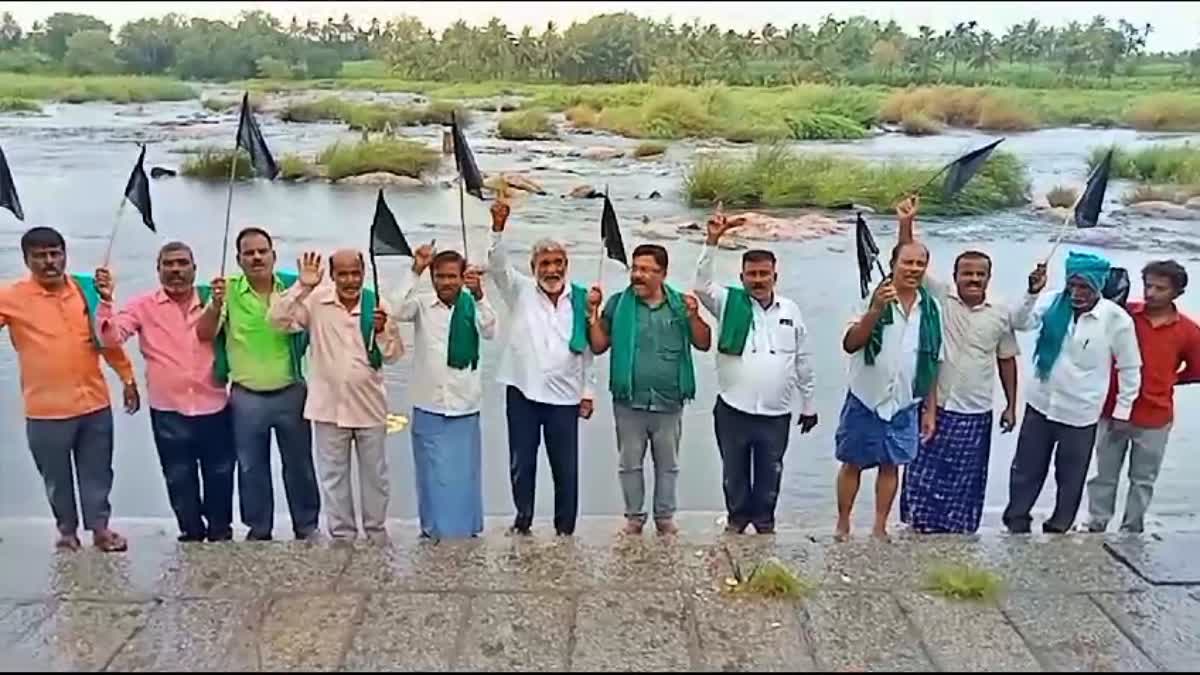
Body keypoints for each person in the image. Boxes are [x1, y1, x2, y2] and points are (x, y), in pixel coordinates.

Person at [893, 196, 1032, 534]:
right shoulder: (940, 297)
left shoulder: (1000, 313)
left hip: (976, 408)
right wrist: (907, 223)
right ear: (954, 276)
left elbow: (1007, 362)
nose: (973, 279)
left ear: (988, 277)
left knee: (965, 478)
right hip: (935, 403)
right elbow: (907, 262)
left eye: (979, 274)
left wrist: (1012, 406)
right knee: (922, 471)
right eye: (966, 273)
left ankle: (957, 532)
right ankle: (920, 527)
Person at [0, 226, 139, 552]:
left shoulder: (86, 290)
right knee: (56, 478)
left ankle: (101, 530)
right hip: (44, 409)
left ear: (64, 254)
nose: (49, 262)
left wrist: (128, 378)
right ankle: (66, 531)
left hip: (93, 403)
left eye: (55, 254)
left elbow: (106, 339)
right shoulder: (11, 296)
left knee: (98, 472)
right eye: (40, 256)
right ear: (26, 259)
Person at [94, 242, 235, 543]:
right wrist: (106, 301)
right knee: (178, 476)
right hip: (168, 409)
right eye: (168, 264)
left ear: (194, 269)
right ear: (158, 270)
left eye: (182, 263)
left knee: (221, 474)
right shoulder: (142, 305)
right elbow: (110, 338)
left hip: (214, 404)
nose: (176, 270)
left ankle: (221, 534)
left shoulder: (216, 299)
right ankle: (191, 533)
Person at [693, 211, 818, 535]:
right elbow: (701, 285)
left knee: (770, 474)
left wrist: (809, 404)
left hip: (776, 412)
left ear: (776, 275)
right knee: (733, 474)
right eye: (752, 274)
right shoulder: (728, 302)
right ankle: (736, 522)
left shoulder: (791, 310)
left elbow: (802, 358)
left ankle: (764, 524)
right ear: (742, 276)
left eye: (764, 273)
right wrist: (712, 241)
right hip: (734, 408)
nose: (758, 280)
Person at [268, 250, 403, 543]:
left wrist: (381, 332)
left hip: (369, 406)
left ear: (364, 272)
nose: (350, 280)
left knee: (376, 477)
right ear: (332, 275)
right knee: (333, 477)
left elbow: (393, 355)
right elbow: (277, 321)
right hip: (328, 407)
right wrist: (302, 286)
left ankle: (376, 533)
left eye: (355, 273)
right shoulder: (317, 301)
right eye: (343, 274)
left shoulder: (376, 303)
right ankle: (342, 536)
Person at [196, 227, 320, 541]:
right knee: (251, 468)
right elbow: (204, 334)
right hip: (246, 396)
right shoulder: (228, 290)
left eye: (262, 251)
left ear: (273, 256)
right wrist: (214, 304)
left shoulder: (293, 286)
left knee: (300, 465)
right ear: (238, 259)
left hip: (291, 391)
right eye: (248, 253)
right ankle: (259, 527)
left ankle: (306, 525)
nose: (256, 258)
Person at [1004, 251, 1141, 534]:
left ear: (1098, 287)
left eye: (1085, 287)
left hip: (1081, 412)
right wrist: (1031, 292)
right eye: (1073, 285)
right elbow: (1019, 322)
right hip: (1041, 403)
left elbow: (1130, 369)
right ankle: (1016, 522)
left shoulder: (1115, 320)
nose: (1077, 293)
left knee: (1070, 476)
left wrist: (1122, 411)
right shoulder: (1052, 302)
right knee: (1025, 469)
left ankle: (1059, 526)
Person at [587, 244, 712, 536]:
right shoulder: (618, 304)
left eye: (646, 270)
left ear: (663, 273)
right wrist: (592, 315)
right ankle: (634, 518)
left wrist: (694, 317)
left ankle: (665, 518)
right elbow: (598, 345)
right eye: (636, 268)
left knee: (667, 464)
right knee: (629, 463)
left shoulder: (681, 305)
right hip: (629, 401)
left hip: (669, 401)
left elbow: (704, 343)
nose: (638, 275)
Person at [487, 201, 595, 536]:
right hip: (523, 391)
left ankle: (566, 527)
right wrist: (498, 227)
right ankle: (523, 520)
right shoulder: (519, 290)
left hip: (565, 396)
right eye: (545, 263)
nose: (552, 270)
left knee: (567, 469)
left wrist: (588, 392)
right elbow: (497, 266)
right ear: (533, 267)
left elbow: (588, 350)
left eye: (557, 263)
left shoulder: (581, 297)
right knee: (523, 463)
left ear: (566, 265)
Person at [836, 240, 942, 539]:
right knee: (852, 462)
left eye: (920, 264)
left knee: (891, 465)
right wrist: (875, 310)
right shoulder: (870, 298)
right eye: (907, 263)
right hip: (865, 397)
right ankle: (843, 523)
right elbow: (850, 343)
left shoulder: (931, 308)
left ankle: (880, 526)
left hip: (905, 402)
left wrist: (929, 409)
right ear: (893, 264)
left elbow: (934, 361)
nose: (913, 269)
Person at [1086, 260, 1200, 533]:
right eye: (1148, 285)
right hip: (1113, 408)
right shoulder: (1123, 316)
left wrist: (1171, 379)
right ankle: (1096, 522)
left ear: (1177, 293)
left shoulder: (1189, 331)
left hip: (1155, 415)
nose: (1150, 293)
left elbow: (1197, 370)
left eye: (1160, 288)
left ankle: (1132, 527)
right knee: (1104, 474)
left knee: (1143, 477)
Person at [391, 244, 496, 540]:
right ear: (432, 278)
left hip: (464, 403)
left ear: (463, 277)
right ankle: (433, 527)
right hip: (429, 402)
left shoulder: (473, 304)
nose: (446, 282)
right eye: (440, 276)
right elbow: (395, 308)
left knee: (464, 474)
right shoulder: (422, 305)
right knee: (431, 473)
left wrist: (479, 295)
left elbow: (489, 330)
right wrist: (415, 269)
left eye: (452, 276)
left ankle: (466, 527)